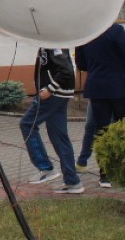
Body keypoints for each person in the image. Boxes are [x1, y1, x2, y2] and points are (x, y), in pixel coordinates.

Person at [74, 23, 125, 187]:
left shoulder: (85, 32)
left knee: (102, 131)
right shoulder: (116, 30)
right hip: (119, 86)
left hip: (97, 87)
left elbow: (81, 64)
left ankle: (105, 174)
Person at [19, 47, 84, 194]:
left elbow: (66, 70)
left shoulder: (54, 43)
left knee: (27, 124)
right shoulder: (47, 41)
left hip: (54, 94)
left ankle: (45, 167)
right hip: (60, 94)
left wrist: (49, 89)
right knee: (59, 136)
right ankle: (73, 182)